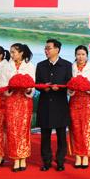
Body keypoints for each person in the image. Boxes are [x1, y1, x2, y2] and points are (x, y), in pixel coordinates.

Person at [35, 38, 72, 172]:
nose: (46, 50)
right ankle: (46, 161)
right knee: (45, 136)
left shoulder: (67, 65)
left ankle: (60, 161)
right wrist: (43, 88)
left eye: (48, 48)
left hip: (60, 104)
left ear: (57, 49)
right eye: (45, 48)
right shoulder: (40, 65)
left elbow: (69, 83)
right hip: (45, 103)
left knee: (62, 135)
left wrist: (61, 88)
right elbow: (37, 83)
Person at [4, 43, 35, 172]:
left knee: (23, 129)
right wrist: (10, 88)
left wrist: (27, 88)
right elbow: (4, 84)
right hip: (11, 100)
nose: (11, 55)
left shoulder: (30, 66)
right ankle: (16, 159)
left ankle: (23, 157)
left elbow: (32, 85)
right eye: (10, 52)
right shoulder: (7, 66)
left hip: (24, 101)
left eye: (14, 52)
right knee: (12, 130)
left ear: (21, 53)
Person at [69, 45, 90, 169]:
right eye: (78, 54)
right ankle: (77, 155)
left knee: (86, 128)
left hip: (86, 100)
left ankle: (85, 155)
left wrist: (87, 88)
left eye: (83, 54)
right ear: (75, 55)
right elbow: (67, 84)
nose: (80, 57)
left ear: (87, 56)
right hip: (74, 100)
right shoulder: (71, 68)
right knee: (75, 128)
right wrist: (71, 90)